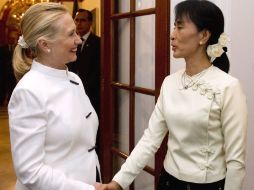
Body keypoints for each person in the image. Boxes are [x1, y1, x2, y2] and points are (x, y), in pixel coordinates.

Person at [97, 0, 248, 190]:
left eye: (179, 27)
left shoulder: (228, 87)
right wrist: (118, 182)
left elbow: (236, 162)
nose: (172, 35)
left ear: (204, 35)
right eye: (174, 27)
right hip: (168, 182)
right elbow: (150, 140)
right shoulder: (170, 83)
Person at [8, 2, 101, 190]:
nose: (78, 40)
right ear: (44, 44)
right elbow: (29, 171)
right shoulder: (29, 92)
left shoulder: (74, 78)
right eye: (70, 34)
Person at [69, 9, 101, 116]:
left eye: (82, 20)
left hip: (91, 95)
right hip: (71, 94)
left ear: (90, 23)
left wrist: (82, 89)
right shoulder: (70, 42)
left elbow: (97, 71)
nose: (78, 23)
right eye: (76, 20)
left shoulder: (98, 42)